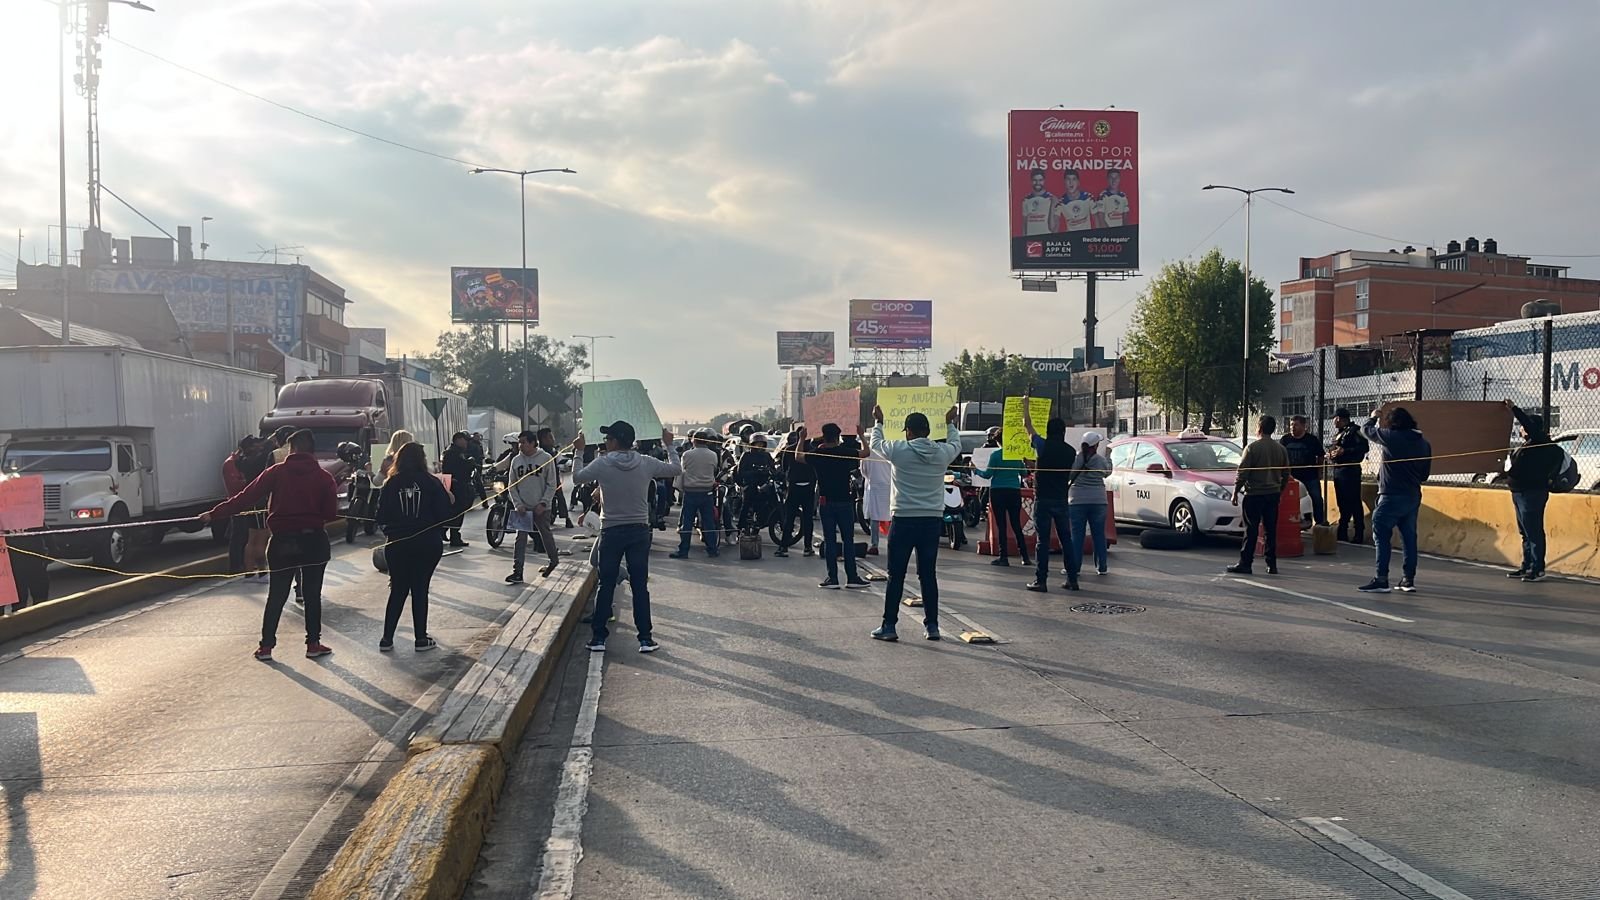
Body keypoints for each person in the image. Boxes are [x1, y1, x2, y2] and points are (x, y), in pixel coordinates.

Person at [201, 429, 337, 661]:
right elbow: (330, 513)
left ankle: (266, 647)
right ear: (311, 449)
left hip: (282, 541)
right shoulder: (324, 478)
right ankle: (313, 644)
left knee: (277, 595)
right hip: (314, 540)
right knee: (312, 594)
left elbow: (245, 497)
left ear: (291, 449)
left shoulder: (276, 472)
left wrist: (213, 515)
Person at [573, 420, 681, 653]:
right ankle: (645, 639)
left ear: (614, 441)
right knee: (640, 586)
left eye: (607, 439)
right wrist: (669, 445)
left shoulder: (602, 464)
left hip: (611, 531)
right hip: (639, 531)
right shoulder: (646, 462)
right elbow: (675, 469)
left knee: (606, 584)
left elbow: (577, 477)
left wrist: (579, 450)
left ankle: (599, 639)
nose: (605, 442)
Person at [868, 405, 962, 642]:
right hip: (931, 520)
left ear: (908, 431)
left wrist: (879, 421)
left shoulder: (899, 450)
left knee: (896, 575)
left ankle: (889, 626)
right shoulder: (942, 453)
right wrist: (950, 423)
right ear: (928, 431)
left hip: (903, 519)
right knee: (927, 575)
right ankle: (932, 626)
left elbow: (876, 444)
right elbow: (956, 444)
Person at [374, 441, 453, 651]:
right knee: (420, 589)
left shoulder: (390, 484)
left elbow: (380, 516)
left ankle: (387, 638)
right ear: (422, 460)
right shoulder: (431, 482)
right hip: (427, 542)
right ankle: (420, 638)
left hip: (397, 544)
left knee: (398, 589)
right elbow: (444, 514)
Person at [1359, 407, 1432, 594]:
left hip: (1391, 495)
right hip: (1412, 495)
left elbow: (1365, 430)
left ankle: (1381, 579)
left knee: (1381, 535)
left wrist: (1373, 417)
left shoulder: (1391, 436)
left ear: (1392, 423)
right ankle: (1408, 579)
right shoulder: (1424, 444)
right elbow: (1424, 475)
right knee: (1409, 537)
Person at [796, 423, 871, 589]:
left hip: (826, 502)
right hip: (844, 502)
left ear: (824, 436)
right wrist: (861, 435)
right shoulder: (844, 452)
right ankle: (852, 578)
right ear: (838, 437)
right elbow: (866, 453)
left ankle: (832, 578)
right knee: (848, 541)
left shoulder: (818, 454)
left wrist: (802, 439)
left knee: (830, 541)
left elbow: (798, 457)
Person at [1503, 400, 1565, 582]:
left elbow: (1528, 424)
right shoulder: (1528, 445)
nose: (1521, 429)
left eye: (1523, 427)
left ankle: (1537, 568)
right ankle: (1527, 564)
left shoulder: (1540, 442)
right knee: (1525, 531)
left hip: (1531, 493)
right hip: (1519, 492)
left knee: (1533, 531)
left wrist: (1514, 408)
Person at [1021, 398, 1076, 592]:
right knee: (1066, 540)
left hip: (1043, 499)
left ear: (1048, 431)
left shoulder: (1042, 445)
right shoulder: (1071, 452)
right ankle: (1072, 579)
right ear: (1063, 432)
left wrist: (1025, 406)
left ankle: (1041, 580)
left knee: (1042, 542)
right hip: (1061, 499)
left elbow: (1027, 427)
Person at [1227, 416, 1291, 576]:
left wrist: (1235, 491)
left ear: (1260, 428)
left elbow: (1243, 472)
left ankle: (1245, 563)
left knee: (1251, 530)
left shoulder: (1252, 448)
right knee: (1271, 530)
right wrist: (1280, 490)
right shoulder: (1281, 449)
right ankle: (1272, 564)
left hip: (1254, 494)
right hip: (1273, 494)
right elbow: (1286, 473)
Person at [497, 430, 561, 583]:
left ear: (533, 443)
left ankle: (553, 561)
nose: (520, 445)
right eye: (519, 442)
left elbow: (552, 484)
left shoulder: (545, 458)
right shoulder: (516, 461)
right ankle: (517, 571)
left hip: (541, 507)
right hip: (522, 508)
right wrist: (518, 504)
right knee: (520, 539)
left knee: (545, 535)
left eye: (524, 442)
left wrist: (544, 503)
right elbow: (512, 485)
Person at [973, 427, 1030, 568]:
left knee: (1001, 525)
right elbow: (1023, 473)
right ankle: (1025, 556)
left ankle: (1003, 556)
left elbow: (987, 475)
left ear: (998, 441)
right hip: (1014, 491)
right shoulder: (1015, 456)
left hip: (998, 492)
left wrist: (975, 469)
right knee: (1016, 524)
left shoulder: (996, 456)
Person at [1067, 431, 1112, 583]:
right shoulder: (1100, 460)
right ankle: (1102, 567)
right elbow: (1107, 473)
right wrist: (1109, 456)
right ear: (1096, 445)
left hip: (1077, 500)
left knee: (1077, 536)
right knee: (1099, 534)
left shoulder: (1075, 459)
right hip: (1098, 500)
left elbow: (1068, 476)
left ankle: (1075, 568)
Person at [670, 431, 721, 559]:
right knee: (709, 522)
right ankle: (712, 549)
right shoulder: (713, 455)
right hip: (707, 492)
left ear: (694, 440)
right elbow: (714, 469)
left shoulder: (687, 455)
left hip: (691, 492)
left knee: (687, 522)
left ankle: (683, 550)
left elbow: (682, 470)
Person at [1325, 409, 1369, 544]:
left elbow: (1364, 448)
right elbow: (1335, 449)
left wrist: (1345, 451)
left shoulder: (1354, 431)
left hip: (1350, 470)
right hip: (1339, 470)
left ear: (1339, 418)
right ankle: (1342, 530)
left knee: (1354, 502)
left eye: (1334, 418)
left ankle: (1358, 532)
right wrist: (1331, 455)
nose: (1333, 421)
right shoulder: (1340, 433)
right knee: (1342, 502)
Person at [1280, 415, 1327, 526]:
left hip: (1309, 476)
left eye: (1296, 425)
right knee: (1289, 499)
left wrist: (1319, 471)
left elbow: (1321, 455)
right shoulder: (1285, 440)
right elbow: (1280, 456)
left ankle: (1319, 522)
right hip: (1291, 477)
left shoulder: (1312, 440)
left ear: (1303, 426)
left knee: (1316, 498)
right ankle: (1291, 521)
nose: (1292, 427)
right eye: (1291, 424)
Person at [775, 431, 816, 558]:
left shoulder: (789, 450)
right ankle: (808, 547)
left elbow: (784, 468)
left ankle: (784, 546)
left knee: (789, 518)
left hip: (793, 487)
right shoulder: (813, 451)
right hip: (809, 487)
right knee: (808, 518)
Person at [223, 436, 259, 576]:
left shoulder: (242, 462)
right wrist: (250, 481)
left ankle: (245, 564)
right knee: (238, 535)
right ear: (247, 448)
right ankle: (235, 566)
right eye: (254, 447)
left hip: (247, 503)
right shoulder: (231, 464)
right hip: (238, 504)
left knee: (245, 535)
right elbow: (236, 485)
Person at [440, 431, 477, 547]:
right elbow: (461, 468)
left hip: (458, 485)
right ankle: (453, 535)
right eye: (465, 440)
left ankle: (447, 531)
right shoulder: (452, 453)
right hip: (456, 486)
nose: (467, 443)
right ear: (458, 440)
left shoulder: (457, 452)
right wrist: (470, 462)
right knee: (457, 512)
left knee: (457, 512)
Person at [735, 432, 777, 533]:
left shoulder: (766, 455)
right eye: (757, 444)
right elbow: (740, 472)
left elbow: (773, 468)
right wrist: (755, 472)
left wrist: (775, 473)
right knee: (746, 505)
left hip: (764, 484)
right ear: (752, 444)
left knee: (772, 501)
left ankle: (766, 520)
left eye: (762, 444)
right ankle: (740, 527)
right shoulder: (746, 455)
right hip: (751, 484)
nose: (760, 446)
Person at [537, 427, 576, 528]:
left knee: (559, 494)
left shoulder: (552, 451)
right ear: (543, 439)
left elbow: (561, 460)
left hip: (553, 478)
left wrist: (566, 464)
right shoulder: (539, 453)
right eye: (550, 437)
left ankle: (566, 517)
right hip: (540, 479)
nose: (553, 439)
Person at [860, 440, 891, 556]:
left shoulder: (869, 451)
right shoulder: (891, 449)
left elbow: (864, 471)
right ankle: (891, 544)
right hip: (890, 486)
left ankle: (874, 544)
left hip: (875, 486)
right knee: (890, 515)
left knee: (875, 517)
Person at [5, 529, 50, 608]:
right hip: (23, 558)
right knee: (24, 597)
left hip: (26, 557)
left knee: (36, 596)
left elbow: (44, 530)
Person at [1020, 168, 1054, 236]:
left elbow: (1054, 226)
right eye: (1035, 180)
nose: (1037, 183)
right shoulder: (1026, 200)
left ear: (1044, 181)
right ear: (1031, 181)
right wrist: (1023, 240)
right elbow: (1024, 224)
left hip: (1046, 237)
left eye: (1040, 180)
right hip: (1031, 240)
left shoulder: (1051, 199)